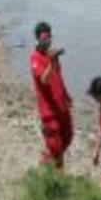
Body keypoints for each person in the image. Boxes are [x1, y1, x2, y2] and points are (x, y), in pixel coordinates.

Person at [30, 22, 73, 170]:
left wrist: (66, 95)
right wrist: (52, 62)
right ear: (38, 39)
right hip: (48, 110)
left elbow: (58, 77)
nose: (47, 40)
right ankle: (58, 177)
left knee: (68, 136)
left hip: (61, 105)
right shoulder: (35, 58)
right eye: (44, 38)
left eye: (49, 37)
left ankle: (47, 159)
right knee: (56, 145)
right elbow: (44, 79)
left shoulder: (53, 55)